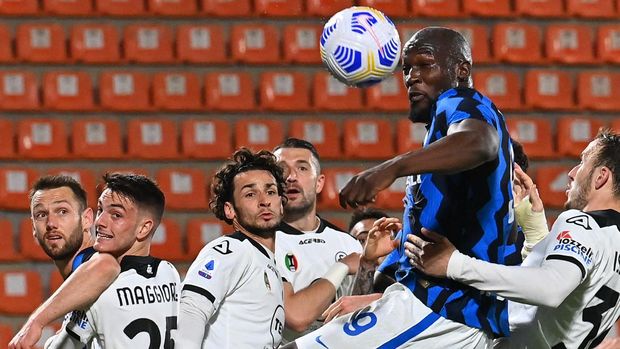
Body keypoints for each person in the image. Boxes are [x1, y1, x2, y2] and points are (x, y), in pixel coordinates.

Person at [284, 26, 514, 348]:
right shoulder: (444, 140)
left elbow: (482, 143)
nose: (411, 77)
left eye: (425, 64)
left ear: (461, 70)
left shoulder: (461, 102)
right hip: (442, 308)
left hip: (445, 306)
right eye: (407, 68)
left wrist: (390, 168)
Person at [407, 129, 620, 348]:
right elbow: (565, 310)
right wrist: (535, 234)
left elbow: (551, 289)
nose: (573, 172)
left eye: (583, 162)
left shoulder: (582, 223)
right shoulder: (613, 241)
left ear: (601, 176)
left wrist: (454, 264)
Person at [21, 173, 180, 349]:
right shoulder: (169, 272)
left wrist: (37, 321)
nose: (100, 221)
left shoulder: (99, 285)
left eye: (116, 215)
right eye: (100, 210)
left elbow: (105, 266)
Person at [175, 148, 286, 348]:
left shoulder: (268, 262)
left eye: (271, 191)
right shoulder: (230, 250)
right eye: (250, 194)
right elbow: (191, 310)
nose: (264, 201)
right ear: (230, 209)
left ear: (281, 204)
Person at [9, 176, 122, 349]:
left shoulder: (92, 260)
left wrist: (36, 321)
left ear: (87, 219)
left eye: (62, 211)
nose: (51, 224)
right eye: (41, 214)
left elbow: (106, 265)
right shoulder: (78, 287)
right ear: (33, 229)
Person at [272, 138, 362, 339]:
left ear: (319, 183)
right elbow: (296, 318)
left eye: (302, 168)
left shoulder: (348, 243)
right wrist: (344, 265)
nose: (291, 177)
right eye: (281, 170)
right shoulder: (263, 244)